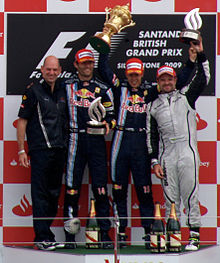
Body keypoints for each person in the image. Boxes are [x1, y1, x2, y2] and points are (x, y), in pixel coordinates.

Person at [98, 35, 201, 248]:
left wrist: (191, 62)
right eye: (131, 74)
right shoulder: (119, 88)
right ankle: (120, 232)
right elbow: (104, 70)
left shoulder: (150, 91)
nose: (134, 78)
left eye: (137, 74)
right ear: (126, 74)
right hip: (120, 139)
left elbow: (177, 81)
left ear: (142, 74)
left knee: (144, 189)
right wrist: (104, 44)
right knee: (118, 189)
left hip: (141, 142)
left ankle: (148, 232)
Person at [146, 38, 210, 251]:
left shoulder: (186, 96)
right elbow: (151, 136)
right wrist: (154, 161)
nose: (167, 82)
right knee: (170, 198)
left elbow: (204, 77)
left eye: (170, 79)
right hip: (167, 156)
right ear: (158, 82)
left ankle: (194, 235)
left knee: (191, 194)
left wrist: (200, 54)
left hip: (187, 152)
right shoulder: (152, 106)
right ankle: (172, 235)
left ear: (175, 80)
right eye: (162, 79)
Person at [64, 49, 116, 249]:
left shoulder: (103, 88)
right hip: (74, 139)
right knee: (71, 189)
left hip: (96, 141)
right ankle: (70, 236)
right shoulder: (66, 85)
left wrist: (107, 126)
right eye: (83, 63)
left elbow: (112, 116)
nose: (87, 66)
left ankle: (104, 234)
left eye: (89, 63)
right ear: (76, 65)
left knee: (101, 189)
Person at [17, 56, 68, 251]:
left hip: (59, 150)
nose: (52, 73)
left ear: (60, 70)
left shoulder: (63, 89)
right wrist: (22, 149)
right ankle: (41, 237)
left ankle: (47, 235)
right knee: (40, 195)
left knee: (54, 195)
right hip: (39, 151)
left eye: (55, 70)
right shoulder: (33, 91)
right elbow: (22, 121)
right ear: (42, 69)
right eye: (48, 70)